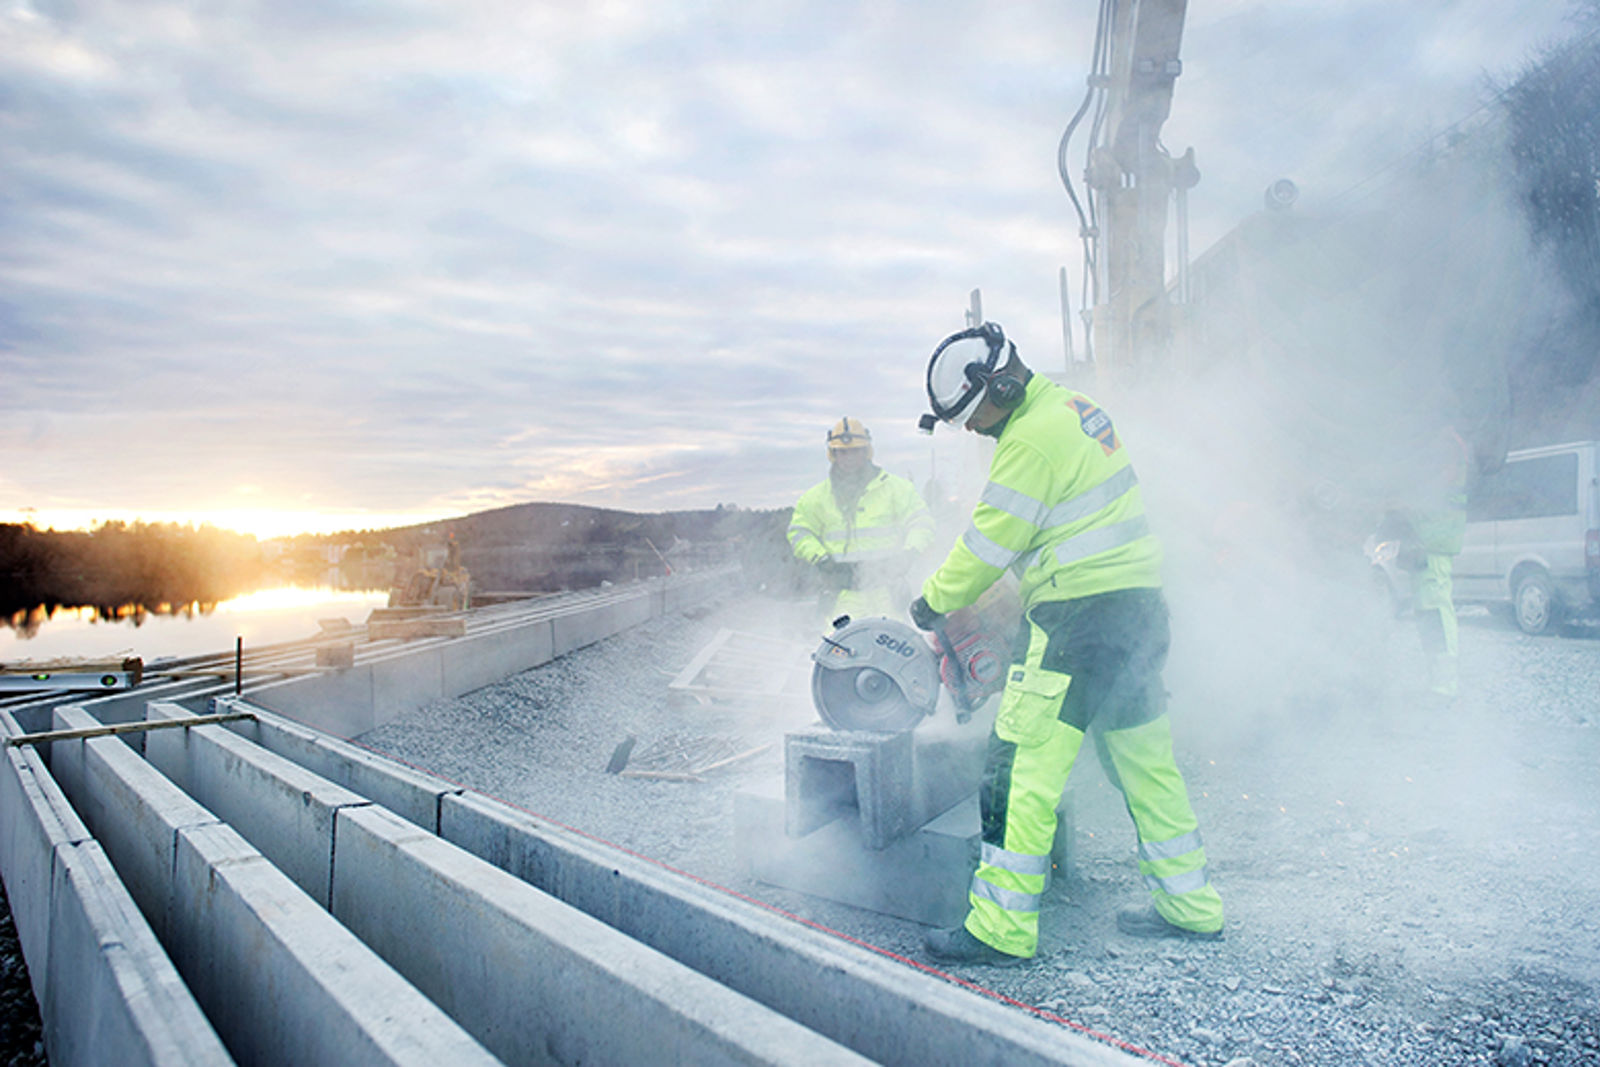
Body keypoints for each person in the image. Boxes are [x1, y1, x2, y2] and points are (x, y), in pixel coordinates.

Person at [908, 322, 1224, 966]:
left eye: (974, 416)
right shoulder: (1078, 411)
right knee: (1144, 760)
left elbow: (987, 547)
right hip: (1136, 610)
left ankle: (1001, 926)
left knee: (1021, 765)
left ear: (998, 385)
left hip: (1077, 621)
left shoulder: (1031, 440)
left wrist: (931, 601)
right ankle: (1190, 906)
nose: (973, 430)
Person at [789, 417, 936, 620]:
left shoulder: (897, 489)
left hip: (888, 593)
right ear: (832, 454)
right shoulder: (816, 498)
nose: (849, 457)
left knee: (897, 646)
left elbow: (922, 523)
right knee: (839, 649)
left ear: (867, 452)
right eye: (843, 451)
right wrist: (821, 559)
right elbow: (799, 532)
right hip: (841, 596)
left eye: (856, 450)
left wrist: (909, 553)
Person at [1403, 425, 1470, 698]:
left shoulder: (1445, 445)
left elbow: (1441, 482)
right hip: (1428, 543)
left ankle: (1444, 687)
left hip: (1435, 544)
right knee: (1427, 613)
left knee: (1436, 613)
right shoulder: (1443, 444)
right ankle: (1437, 683)